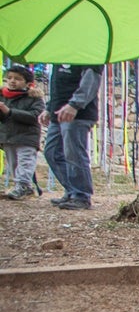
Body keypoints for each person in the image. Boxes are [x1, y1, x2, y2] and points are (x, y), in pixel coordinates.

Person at [39, 64, 101, 210]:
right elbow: (57, 87)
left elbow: (90, 83)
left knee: (74, 154)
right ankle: (72, 190)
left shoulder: (89, 56)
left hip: (78, 113)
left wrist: (75, 105)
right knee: (51, 152)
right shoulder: (60, 55)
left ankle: (81, 196)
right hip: (57, 111)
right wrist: (49, 108)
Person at [0, 65, 45, 200]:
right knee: (13, 163)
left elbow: (35, 116)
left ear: (28, 83)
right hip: (8, 137)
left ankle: (24, 184)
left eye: (18, 79)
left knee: (25, 161)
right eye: (9, 78)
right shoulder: (3, 96)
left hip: (27, 137)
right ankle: (21, 187)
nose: (13, 81)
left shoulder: (34, 98)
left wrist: (9, 112)